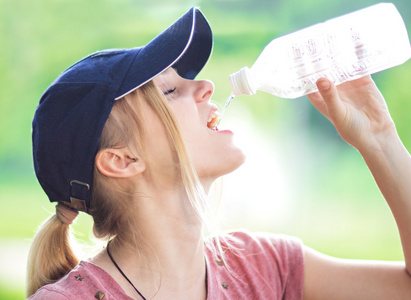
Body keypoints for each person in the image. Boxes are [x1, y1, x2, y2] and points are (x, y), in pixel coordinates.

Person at [26, 7, 411, 300]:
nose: (206, 85)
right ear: (122, 160)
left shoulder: (262, 266)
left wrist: (380, 140)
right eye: (171, 92)